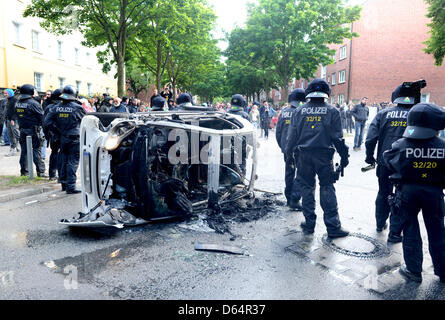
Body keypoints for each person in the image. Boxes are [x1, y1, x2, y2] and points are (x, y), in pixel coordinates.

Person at [383, 103, 445, 283]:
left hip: (407, 193)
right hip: (434, 193)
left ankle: (414, 270)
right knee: (437, 230)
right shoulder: (443, 146)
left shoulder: (400, 145)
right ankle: (443, 270)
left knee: (410, 227)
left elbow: (388, 162)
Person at [285, 79, 350, 238]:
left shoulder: (299, 111)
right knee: (327, 187)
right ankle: (333, 227)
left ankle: (309, 224)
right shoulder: (332, 111)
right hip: (324, 156)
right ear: (326, 94)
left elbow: (291, 138)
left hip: (303, 157)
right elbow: (338, 139)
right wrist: (344, 156)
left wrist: (289, 157)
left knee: (307, 188)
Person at [365, 81, 424, 242]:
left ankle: (379, 223)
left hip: (385, 162)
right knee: (401, 196)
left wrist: (369, 157)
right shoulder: (417, 115)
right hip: (407, 164)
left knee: (383, 192)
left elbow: (370, 139)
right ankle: (395, 233)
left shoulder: (383, 114)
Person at [44, 85, 86, 193]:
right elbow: (86, 121)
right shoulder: (77, 107)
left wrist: (57, 131)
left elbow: (47, 122)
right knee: (73, 161)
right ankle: (70, 187)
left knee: (63, 160)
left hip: (63, 137)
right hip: (75, 138)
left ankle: (63, 184)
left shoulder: (55, 107)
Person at [276, 88, 306, 210]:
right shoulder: (302, 112)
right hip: (299, 149)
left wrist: (283, 147)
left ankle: (288, 198)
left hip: (287, 149)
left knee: (289, 173)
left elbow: (278, 132)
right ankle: (295, 198)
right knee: (301, 174)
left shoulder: (283, 112)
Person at [15, 84, 46, 177]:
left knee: (24, 151)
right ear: (31, 92)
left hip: (23, 130)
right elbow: (42, 117)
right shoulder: (33, 103)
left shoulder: (17, 103)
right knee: (37, 150)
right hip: (34, 130)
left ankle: (24, 172)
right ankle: (41, 172)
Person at [43, 89, 62, 181]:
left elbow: (45, 123)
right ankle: (59, 175)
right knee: (61, 154)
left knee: (54, 153)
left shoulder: (49, 107)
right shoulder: (62, 106)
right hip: (60, 134)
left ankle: (52, 174)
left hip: (53, 134)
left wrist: (48, 134)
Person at [3, 89, 20, 156]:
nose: (5, 95)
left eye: (6, 93)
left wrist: (13, 119)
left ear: (10, 93)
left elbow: (16, 111)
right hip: (8, 120)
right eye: (4, 93)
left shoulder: (15, 100)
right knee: (10, 135)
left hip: (13, 120)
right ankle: (12, 149)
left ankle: (24, 146)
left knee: (16, 134)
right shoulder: (7, 100)